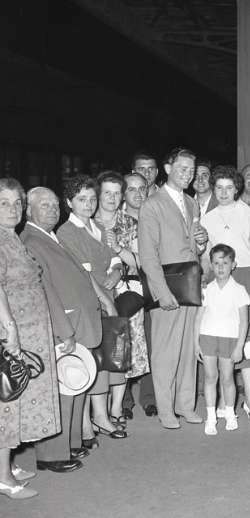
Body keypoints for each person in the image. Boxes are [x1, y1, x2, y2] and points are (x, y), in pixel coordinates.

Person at [21, 187, 105, 473]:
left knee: (76, 383)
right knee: (61, 390)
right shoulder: (31, 240)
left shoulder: (48, 236)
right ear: (28, 210)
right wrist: (63, 329)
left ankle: (70, 442)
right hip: (64, 324)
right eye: (44, 205)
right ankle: (51, 454)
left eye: (55, 205)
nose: (52, 210)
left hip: (77, 320)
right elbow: (45, 290)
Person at [138, 147, 208, 429]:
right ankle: (166, 409)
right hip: (167, 286)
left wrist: (201, 242)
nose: (187, 175)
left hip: (189, 283)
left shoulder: (192, 203)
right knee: (166, 351)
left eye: (191, 170)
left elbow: (192, 246)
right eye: (182, 169)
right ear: (167, 169)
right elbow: (148, 255)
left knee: (188, 350)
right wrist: (161, 293)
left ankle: (185, 405)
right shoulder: (152, 205)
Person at [0, 178, 60, 499]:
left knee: (16, 398)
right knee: (6, 405)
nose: (12, 209)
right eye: (4, 203)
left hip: (26, 331)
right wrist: (9, 328)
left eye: (17, 203)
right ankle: (3, 479)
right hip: (11, 334)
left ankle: (7, 465)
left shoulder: (10, 236)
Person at [57, 175, 127, 445]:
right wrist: (106, 300)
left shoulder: (99, 226)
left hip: (108, 296)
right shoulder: (66, 232)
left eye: (92, 199)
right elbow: (82, 273)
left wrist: (117, 271)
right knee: (89, 361)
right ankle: (86, 425)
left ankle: (101, 416)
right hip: (88, 303)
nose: (88, 204)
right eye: (81, 199)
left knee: (106, 360)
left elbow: (115, 258)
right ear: (69, 202)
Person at [201, 165, 250, 424]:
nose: (223, 192)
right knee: (222, 338)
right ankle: (222, 401)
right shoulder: (207, 218)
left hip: (247, 276)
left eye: (229, 188)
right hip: (219, 278)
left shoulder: (249, 213)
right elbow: (206, 258)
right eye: (219, 187)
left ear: (237, 189)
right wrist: (205, 281)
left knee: (248, 338)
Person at [195, 244, 250, 435]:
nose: (220, 267)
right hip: (208, 337)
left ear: (233, 265)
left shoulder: (239, 290)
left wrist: (239, 346)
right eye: (216, 263)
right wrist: (195, 343)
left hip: (229, 339)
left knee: (227, 378)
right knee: (210, 377)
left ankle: (229, 413)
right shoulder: (206, 289)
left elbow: (243, 321)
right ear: (210, 265)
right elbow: (198, 318)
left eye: (225, 263)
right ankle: (211, 417)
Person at [93, 171, 129, 428]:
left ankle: (115, 408)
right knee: (98, 353)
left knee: (119, 352)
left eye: (117, 193)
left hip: (124, 295)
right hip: (95, 292)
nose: (112, 198)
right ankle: (99, 412)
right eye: (107, 192)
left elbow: (138, 261)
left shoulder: (129, 223)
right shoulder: (87, 220)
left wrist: (118, 266)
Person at [114, 173, 151, 420]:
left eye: (142, 189)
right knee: (123, 342)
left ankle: (150, 398)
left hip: (152, 284)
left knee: (150, 342)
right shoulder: (115, 219)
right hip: (126, 288)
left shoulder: (153, 216)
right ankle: (124, 401)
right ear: (123, 194)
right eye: (131, 189)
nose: (138, 194)